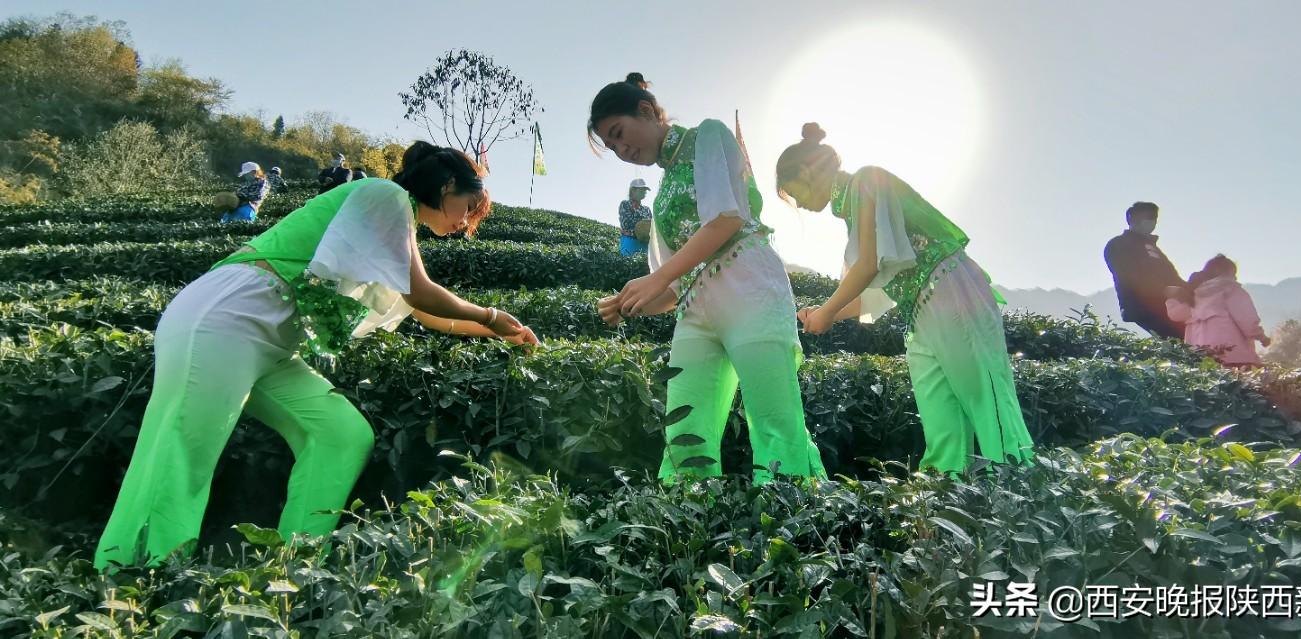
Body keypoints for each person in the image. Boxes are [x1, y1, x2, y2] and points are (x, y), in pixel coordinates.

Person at [94, 141, 539, 569]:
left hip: (273, 343)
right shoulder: (383, 196)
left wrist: (503, 332)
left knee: (342, 434)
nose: (465, 225)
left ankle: (295, 563)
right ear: (447, 189)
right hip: (229, 315)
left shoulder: (390, 228)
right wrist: (492, 314)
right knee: (183, 451)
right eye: (468, 210)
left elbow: (425, 311)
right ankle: (134, 578)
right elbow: (421, 291)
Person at [589, 73, 824, 484]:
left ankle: (794, 529)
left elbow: (726, 219)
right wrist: (630, 303)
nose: (622, 150)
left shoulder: (708, 137)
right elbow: (671, 288)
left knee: (774, 419)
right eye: (612, 147)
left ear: (647, 111)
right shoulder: (661, 199)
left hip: (748, 286)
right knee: (685, 430)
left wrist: (656, 279)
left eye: (620, 133)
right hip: (695, 310)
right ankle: (687, 528)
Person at [777, 123, 1035, 476]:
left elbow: (867, 267)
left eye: (794, 193)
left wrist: (827, 310)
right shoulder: (852, 211)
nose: (800, 206)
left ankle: (1023, 493)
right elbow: (878, 291)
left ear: (806, 171)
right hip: (919, 313)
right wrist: (825, 313)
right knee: (941, 424)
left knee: (988, 405)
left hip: (951, 291)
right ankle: (948, 507)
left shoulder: (866, 181)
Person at [1165, 255, 1270, 366]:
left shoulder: (1194, 293)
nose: (1235, 278)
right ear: (1228, 272)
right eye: (1234, 273)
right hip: (1234, 356)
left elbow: (1175, 315)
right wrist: (1262, 337)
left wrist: (1172, 298)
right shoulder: (1231, 289)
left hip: (1201, 358)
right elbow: (1247, 320)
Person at [1104, 202, 1186, 339]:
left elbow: (1172, 276)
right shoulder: (1118, 244)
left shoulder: (1151, 247)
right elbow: (1128, 276)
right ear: (1132, 219)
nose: (1151, 221)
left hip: (1166, 304)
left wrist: (1191, 289)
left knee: (1184, 337)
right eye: (1147, 217)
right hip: (1142, 306)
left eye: (1154, 217)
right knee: (1178, 338)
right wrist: (1163, 290)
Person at [618, 178, 653, 256]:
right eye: (642, 189)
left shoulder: (646, 209)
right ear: (633, 190)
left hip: (644, 244)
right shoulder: (625, 204)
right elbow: (626, 224)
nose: (645, 192)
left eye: (645, 190)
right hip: (630, 242)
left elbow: (652, 226)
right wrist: (643, 224)